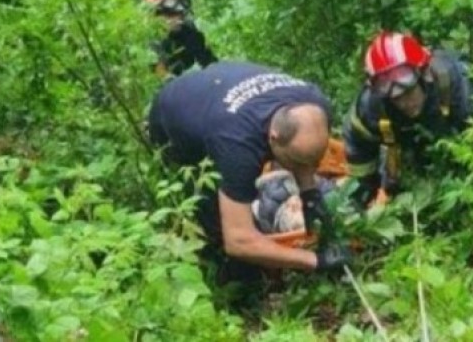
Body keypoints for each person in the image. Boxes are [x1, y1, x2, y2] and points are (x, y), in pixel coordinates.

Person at [147, 61, 352, 283]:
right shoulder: (236, 144)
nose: (306, 169)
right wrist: (315, 261)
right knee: (211, 205)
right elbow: (238, 240)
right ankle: (231, 276)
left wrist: (310, 196)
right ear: (273, 139)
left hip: (221, 86)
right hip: (176, 113)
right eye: (296, 162)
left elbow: (307, 162)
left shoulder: (315, 104)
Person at [343, 31, 473, 207]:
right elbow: (360, 156)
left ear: (424, 75)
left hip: (459, 149)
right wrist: (359, 203)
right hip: (407, 154)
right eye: (396, 98)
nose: (405, 103)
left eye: (409, 92)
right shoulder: (371, 108)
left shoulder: (458, 88)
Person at [141, 0, 217, 77]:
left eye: (180, 13)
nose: (177, 19)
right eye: (169, 14)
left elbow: (211, 65)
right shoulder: (146, 45)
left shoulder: (189, 33)